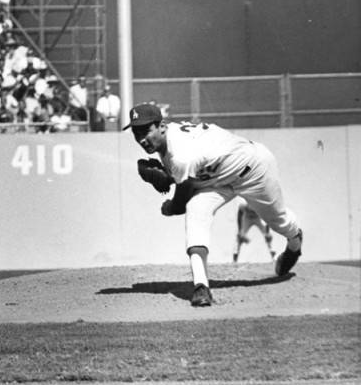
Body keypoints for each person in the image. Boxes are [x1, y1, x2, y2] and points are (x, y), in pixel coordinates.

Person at [124, 102, 303, 307]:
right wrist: (170, 178)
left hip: (253, 169)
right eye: (136, 133)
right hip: (216, 179)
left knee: (278, 221)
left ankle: (294, 244)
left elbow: (180, 201)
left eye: (146, 130)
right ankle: (201, 286)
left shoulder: (179, 153)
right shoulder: (169, 143)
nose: (141, 139)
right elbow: (194, 171)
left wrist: (170, 206)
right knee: (196, 210)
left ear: (162, 126)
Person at [232, 198, 276, 263]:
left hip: (258, 218)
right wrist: (240, 230)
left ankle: (274, 257)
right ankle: (234, 260)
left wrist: (267, 232)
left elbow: (267, 218)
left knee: (268, 236)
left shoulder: (261, 205)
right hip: (247, 218)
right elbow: (239, 216)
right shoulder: (243, 204)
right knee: (239, 237)